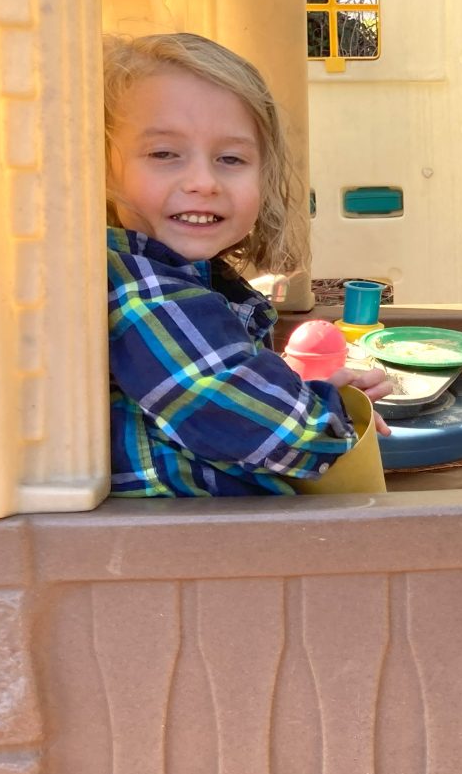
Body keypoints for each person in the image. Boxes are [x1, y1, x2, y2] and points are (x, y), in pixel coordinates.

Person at [104, 31, 395, 496]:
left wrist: (301, 386)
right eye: (163, 154)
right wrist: (333, 413)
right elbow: (271, 431)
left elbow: (222, 384)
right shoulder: (144, 292)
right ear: (102, 167)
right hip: (193, 550)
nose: (203, 181)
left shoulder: (184, 279)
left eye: (231, 158)